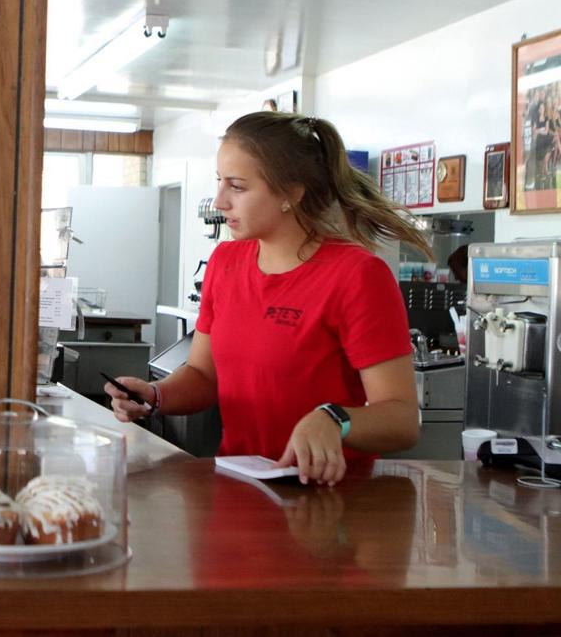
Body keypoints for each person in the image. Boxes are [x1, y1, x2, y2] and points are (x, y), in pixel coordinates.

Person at [107, 111, 424, 486]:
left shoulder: (357, 276)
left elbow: (402, 419)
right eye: (219, 183)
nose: (220, 201)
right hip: (238, 490)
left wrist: (334, 418)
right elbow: (203, 375)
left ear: (291, 193)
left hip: (327, 502)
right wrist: (156, 395)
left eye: (237, 187)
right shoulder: (225, 263)